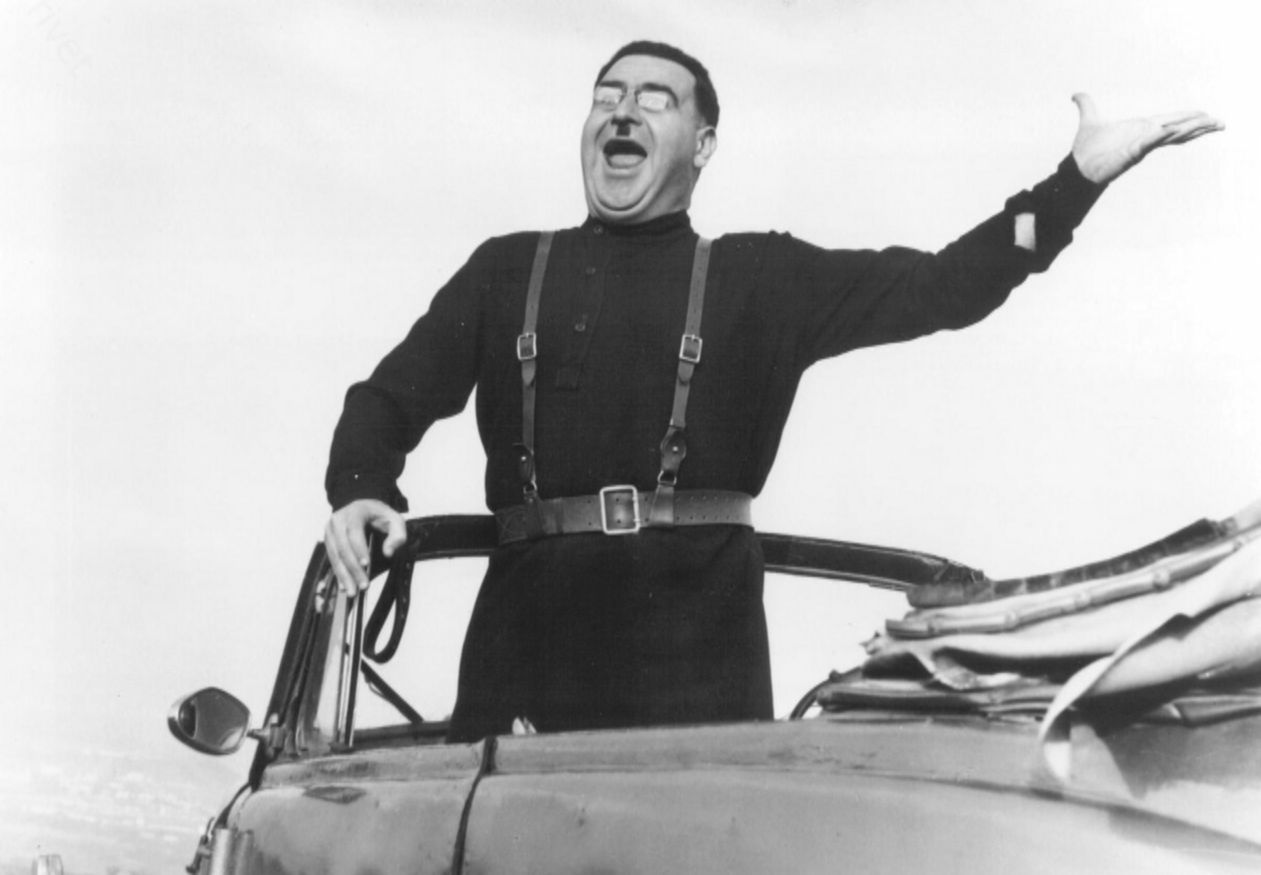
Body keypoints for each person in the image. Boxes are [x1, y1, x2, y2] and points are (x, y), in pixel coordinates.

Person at [323, 41, 1222, 742]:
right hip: (526, 643)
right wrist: (361, 486)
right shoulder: (504, 269)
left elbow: (946, 286)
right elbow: (386, 399)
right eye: (606, 96)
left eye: (654, 98)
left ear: (703, 144)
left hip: (695, 656)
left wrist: (1073, 184)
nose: (621, 112)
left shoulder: (761, 278)